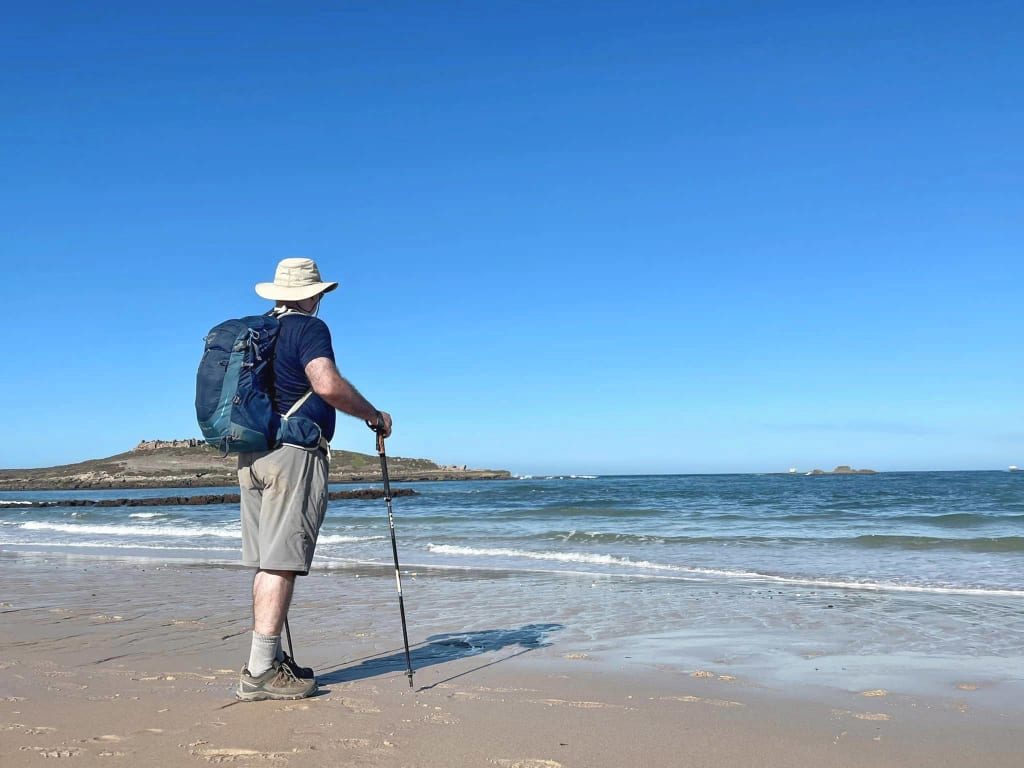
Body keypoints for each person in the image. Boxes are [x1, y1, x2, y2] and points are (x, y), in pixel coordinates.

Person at [236, 257, 392, 701]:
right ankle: (261, 670)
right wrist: (374, 416)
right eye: (319, 292)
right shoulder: (308, 329)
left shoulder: (257, 332)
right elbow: (325, 384)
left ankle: (268, 659)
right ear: (311, 294)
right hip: (293, 453)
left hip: (253, 453)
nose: (321, 299)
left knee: (269, 560)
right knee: (281, 562)